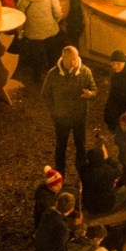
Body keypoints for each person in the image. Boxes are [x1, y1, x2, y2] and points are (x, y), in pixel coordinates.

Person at [42, 46, 96, 176]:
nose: (72, 62)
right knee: (61, 146)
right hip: (61, 119)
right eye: (69, 60)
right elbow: (45, 95)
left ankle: (82, 171)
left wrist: (90, 94)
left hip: (79, 117)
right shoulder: (53, 74)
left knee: (81, 144)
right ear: (63, 58)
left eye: (74, 59)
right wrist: (54, 112)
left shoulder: (85, 72)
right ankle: (60, 172)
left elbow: (94, 89)